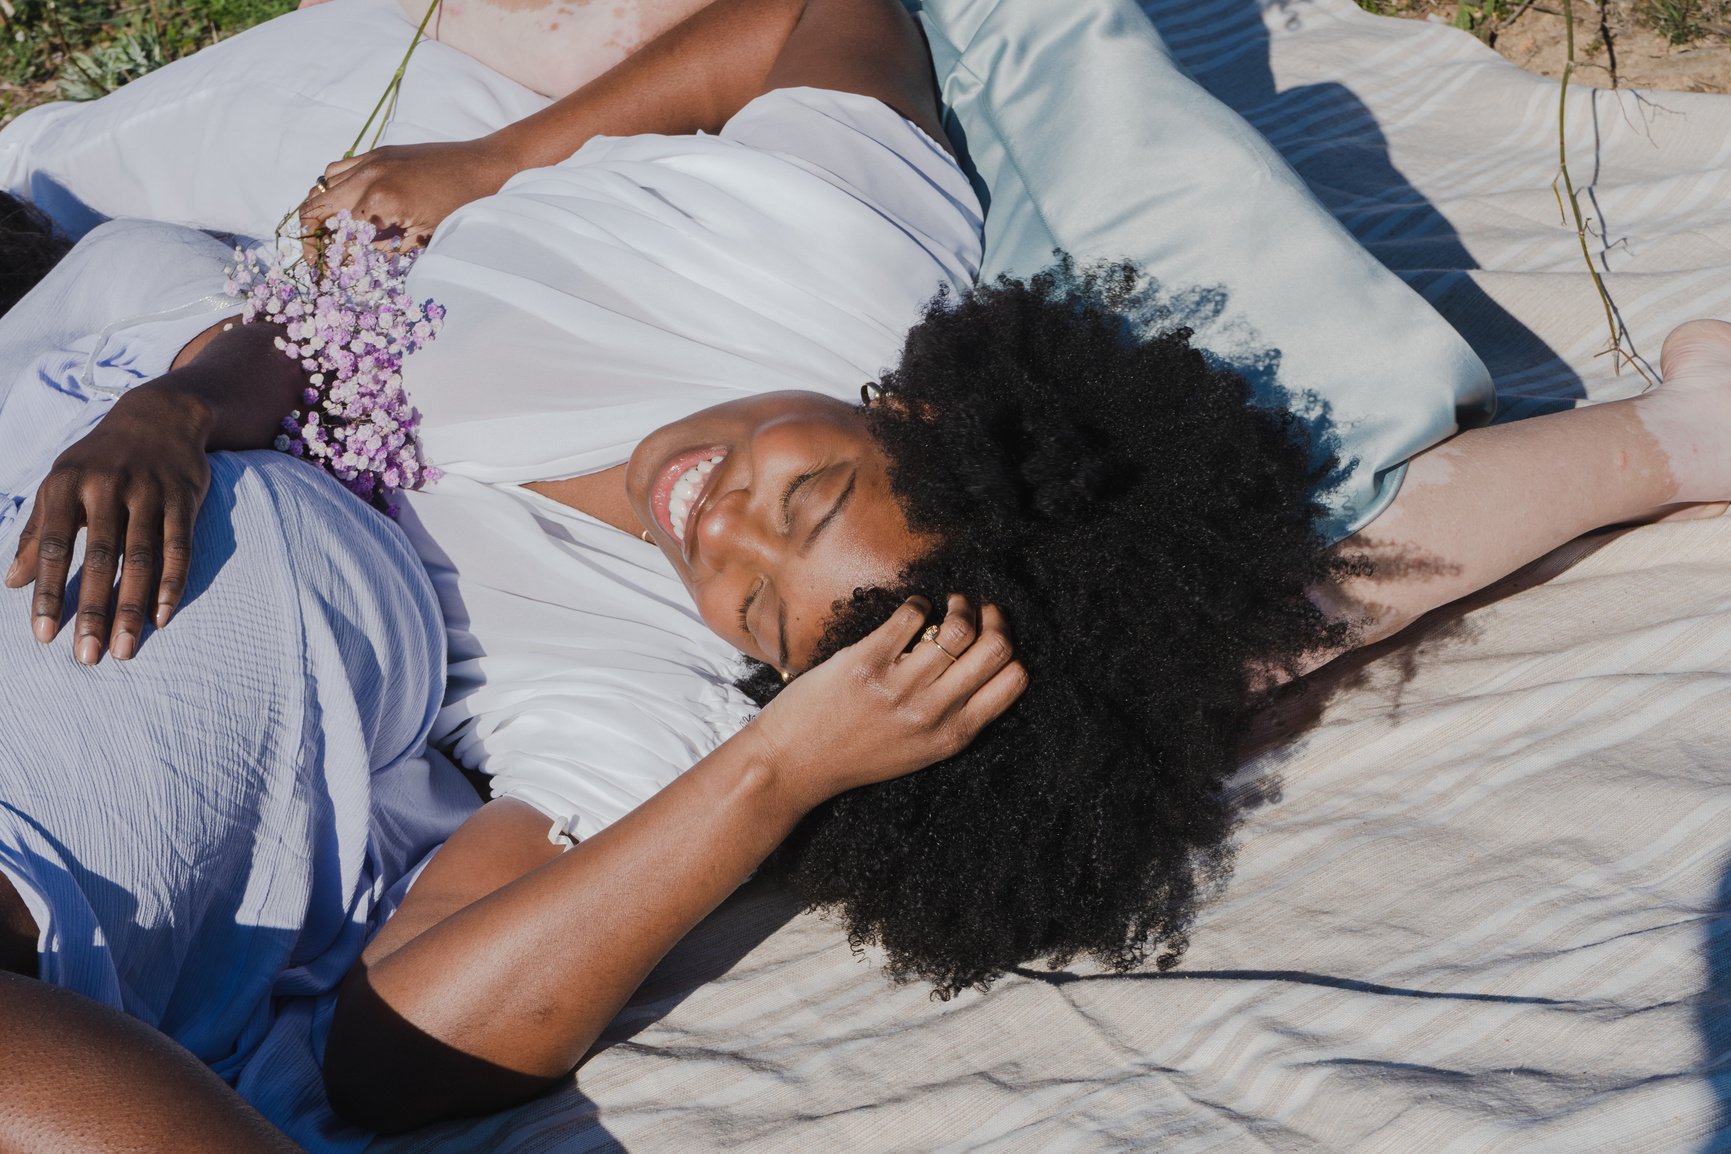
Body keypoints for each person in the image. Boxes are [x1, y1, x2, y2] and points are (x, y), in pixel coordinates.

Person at [6, 0, 1731, 1149]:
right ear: (910, 406)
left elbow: (390, 1058)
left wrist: (777, 769)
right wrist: (492, 167)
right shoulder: (828, 267)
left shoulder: (636, 685)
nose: (715, 518)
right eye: (804, 483)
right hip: (221, 287)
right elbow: (831, 12)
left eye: (758, 605)